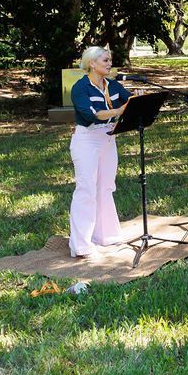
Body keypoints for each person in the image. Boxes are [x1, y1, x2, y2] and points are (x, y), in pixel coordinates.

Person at [68, 46, 133, 259]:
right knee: (86, 189)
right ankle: (80, 245)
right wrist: (118, 111)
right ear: (92, 63)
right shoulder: (80, 88)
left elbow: (128, 100)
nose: (109, 63)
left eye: (110, 59)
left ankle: (106, 236)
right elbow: (91, 115)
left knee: (106, 186)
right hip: (87, 140)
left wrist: (138, 100)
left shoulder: (113, 84)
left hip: (108, 138)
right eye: (105, 60)